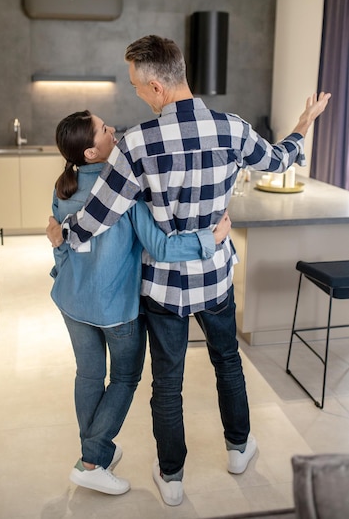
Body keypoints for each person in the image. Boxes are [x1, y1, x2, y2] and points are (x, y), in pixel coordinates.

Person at [47, 36, 330, 506]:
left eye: (139, 86)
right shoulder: (233, 129)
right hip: (215, 278)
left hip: (162, 286)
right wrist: (303, 126)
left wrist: (64, 234)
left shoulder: (135, 144)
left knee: (168, 383)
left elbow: (100, 216)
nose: (137, 94)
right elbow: (279, 160)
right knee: (228, 364)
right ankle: (239, 449)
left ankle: (172, 476)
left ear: (158, 87)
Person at [50, 109, 231, 497]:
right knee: (125, 378)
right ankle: (93, 460)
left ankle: (94, 453)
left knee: (87, 375)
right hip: (115, 309)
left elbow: (59, 243)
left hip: (70, 299)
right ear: (92, 154)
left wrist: (62, 272)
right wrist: (210, 241)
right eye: (102, 129)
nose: (112, 128)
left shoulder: (62, 187)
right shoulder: (124, 190)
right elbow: (162, 246)